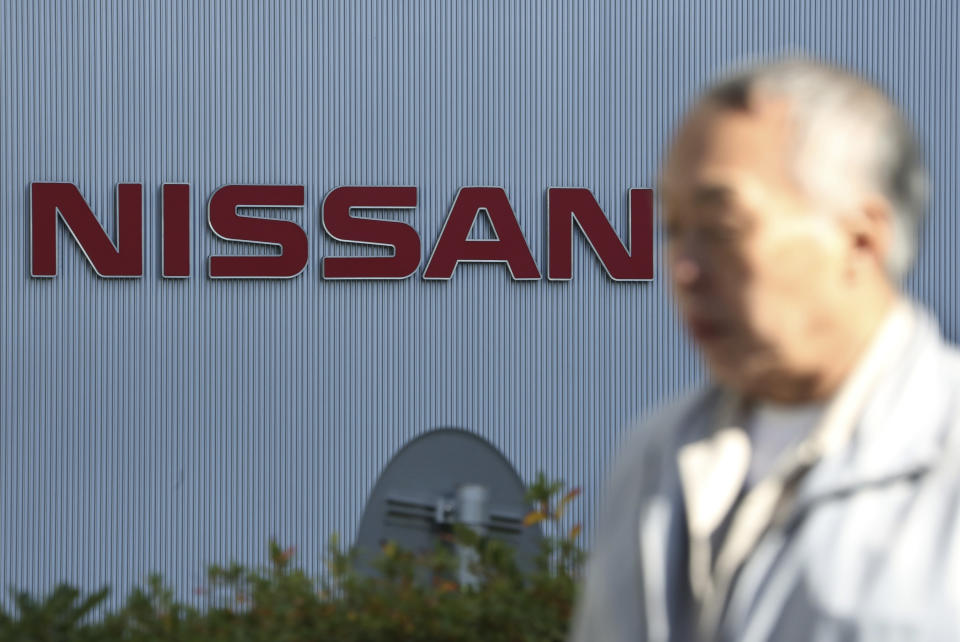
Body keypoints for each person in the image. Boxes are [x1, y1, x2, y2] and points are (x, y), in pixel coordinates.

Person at [569, 57, 960, 641]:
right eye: (673, 228)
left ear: (860, 239)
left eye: (722, 227)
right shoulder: (652, 460)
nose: (684, 270)